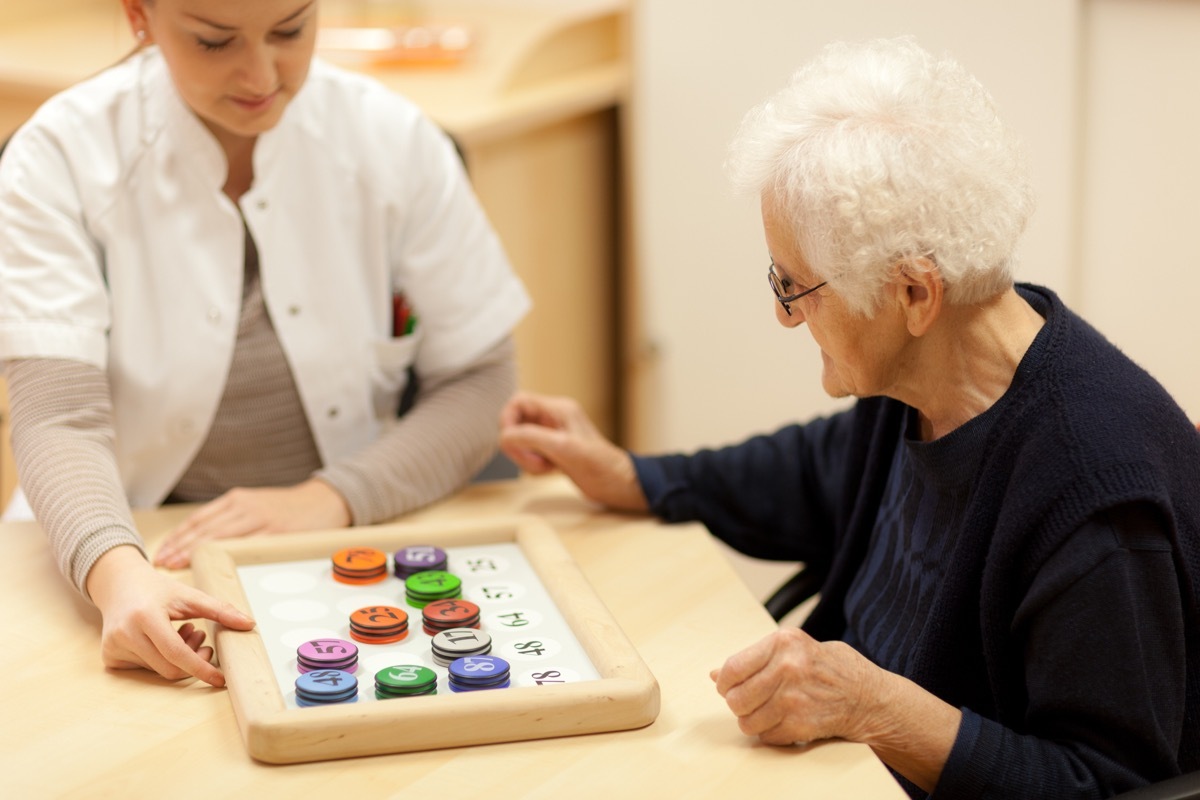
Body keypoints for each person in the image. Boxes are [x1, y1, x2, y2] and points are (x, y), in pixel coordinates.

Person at [498, 37, 1200, 799]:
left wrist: (876, 708)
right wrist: (632, 474)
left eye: (796, 286)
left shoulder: (1096, 498)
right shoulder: (930, 376)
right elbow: (811, 471)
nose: (783, 315)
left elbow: (1103, 783)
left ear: (913, 295)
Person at [0, 0, 529, 688]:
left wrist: (332, 498)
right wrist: (117, 574)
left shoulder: (391, 137)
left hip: (347, 536)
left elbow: (480, 383)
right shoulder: (59, 158)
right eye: (214, 42)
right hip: (131, 542)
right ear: (140, 16)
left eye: (290, 30)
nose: (261, 74)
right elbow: (58, 417)